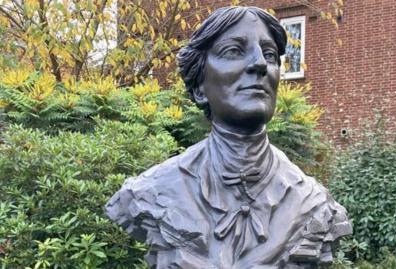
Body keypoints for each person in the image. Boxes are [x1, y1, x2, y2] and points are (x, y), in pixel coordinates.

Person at [105, 6, 351, 269]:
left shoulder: (314, 204)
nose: (259, 64)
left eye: (269, 55)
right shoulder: (150, 192)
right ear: (200, 87)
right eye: (233, 51)